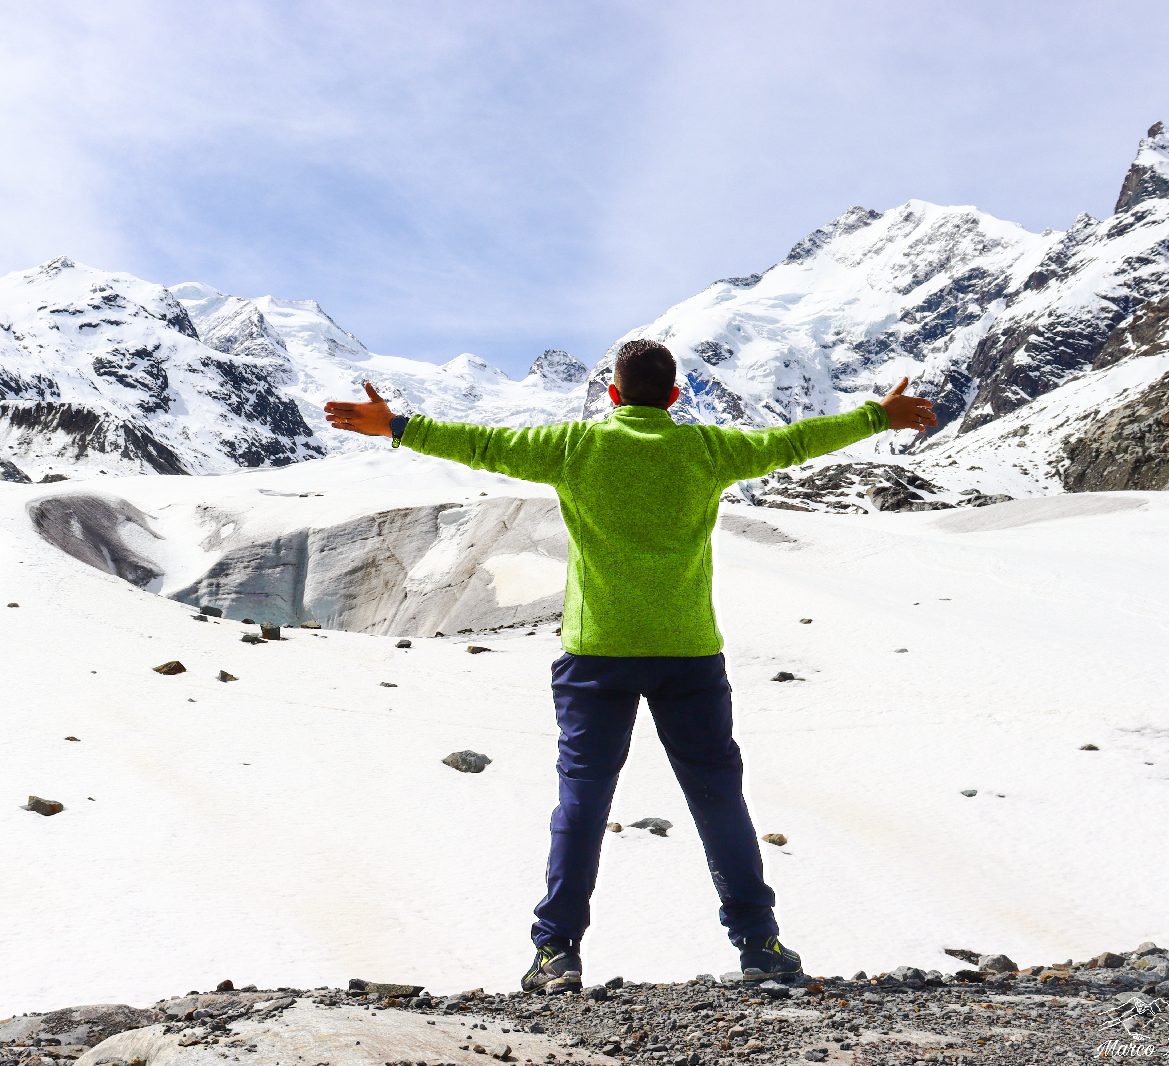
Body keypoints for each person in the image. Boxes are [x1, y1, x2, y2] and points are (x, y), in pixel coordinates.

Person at [323, 339, 936, 992]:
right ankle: (759, 944)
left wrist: (396, 425)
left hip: (597, 655)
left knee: (583, 800)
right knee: (718, 798)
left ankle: (557, 951)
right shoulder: (708, 450)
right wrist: (877, 416)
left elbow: (481, 444)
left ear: (612, 394)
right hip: (688, 654)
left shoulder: (574, 447)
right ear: (674, 396)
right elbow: (792, 442)